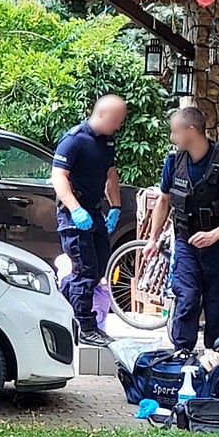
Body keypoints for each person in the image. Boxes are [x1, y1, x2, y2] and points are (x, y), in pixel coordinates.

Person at [143, 106, 219, 352]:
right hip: (186, 243)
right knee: (187, 299)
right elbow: (163, 200)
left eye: (175, 132)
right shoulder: (174, 161)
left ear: (191, 131)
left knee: (217, 306)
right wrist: (152, 239)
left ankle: (215, 362)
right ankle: (181, 355)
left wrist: (214, 235)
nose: (172, 138)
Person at [52, 95, 128, 347]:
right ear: (102, 114)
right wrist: (75, 209)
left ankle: (62, 302)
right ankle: (85, 325)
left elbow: (111, 174)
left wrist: (115, 206)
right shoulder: (74, 140)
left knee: (98, 268)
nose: (118, 125)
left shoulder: (106, 142)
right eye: (116, 120)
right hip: (74, 216)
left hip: (95, 213)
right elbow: (58, 177)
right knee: (84, 269)